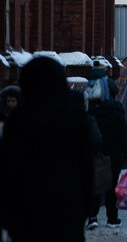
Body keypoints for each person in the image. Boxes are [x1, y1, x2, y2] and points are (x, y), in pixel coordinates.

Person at [0, 57, 94, 242]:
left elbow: (7, 167)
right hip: (67, 206)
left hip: (26, 210)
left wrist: (7, 214)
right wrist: (86, 206)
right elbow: (87, 167)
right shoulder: (76, 117)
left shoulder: (19, 118)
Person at [87, 67, 127, 230]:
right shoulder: (116, 113)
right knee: (110, 187)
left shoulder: (90, 112)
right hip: (113, 156)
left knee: (95, 185)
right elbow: (123, 138)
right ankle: (112, 218)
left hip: (94, 154)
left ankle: (92, 217)